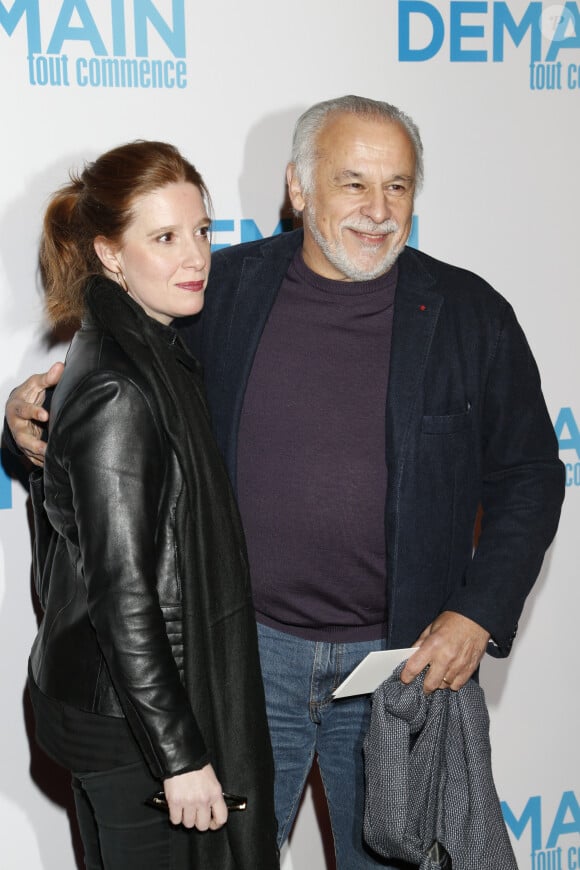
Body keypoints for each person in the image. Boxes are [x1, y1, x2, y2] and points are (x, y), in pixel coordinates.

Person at [5, 97, 565, 869]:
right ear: (298, 189)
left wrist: (478, 611)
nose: (377, 210)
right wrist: (29, 407)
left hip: (394, 665)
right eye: (353, 183)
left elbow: (532, 474)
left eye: (397, 187)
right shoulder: (217, 290)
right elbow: (120, 380)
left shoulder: (472, 316)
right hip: (240, 655)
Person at [11, 141, 278, 870]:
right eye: (163, 237)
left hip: (111, 706)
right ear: (110, 254)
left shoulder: (146, 350)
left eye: (201, 231)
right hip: (129, 724)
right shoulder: (119, 388)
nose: (195, 256)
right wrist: (179, 755)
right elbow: (123, 594)